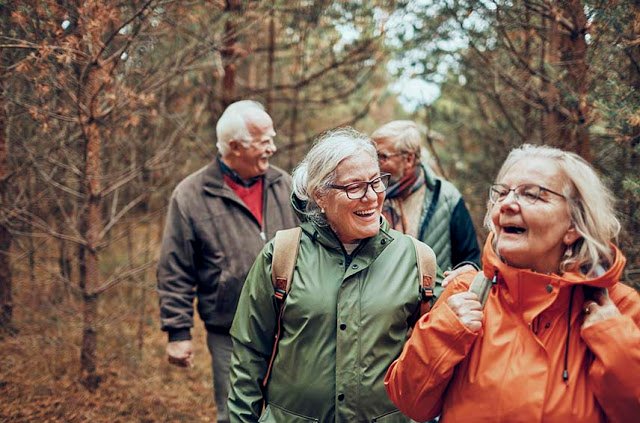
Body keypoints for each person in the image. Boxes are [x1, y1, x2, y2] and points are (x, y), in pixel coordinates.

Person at [384, 144, 640, 422]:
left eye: (532, 195)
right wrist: (444, 332)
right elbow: (410, 402)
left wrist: (614, 341)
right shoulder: (465, 294)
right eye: (502, 193)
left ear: (573, 225)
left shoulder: (619, 308)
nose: (506, 204)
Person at [228, 128, 433, 422]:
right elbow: (249, 356)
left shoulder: (417, 259)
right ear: (320, 195)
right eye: (354, 187)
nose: (372, 197)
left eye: (376, 182)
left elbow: (442, 353)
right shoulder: (283, 255)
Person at [157, 100, 298, 423]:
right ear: (235, 147)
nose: (273, 148)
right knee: (237, 414)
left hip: (292, 326)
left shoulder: (285, 185)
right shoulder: (191, 195)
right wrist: (178, 332)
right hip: (229, 330)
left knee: (292, 412)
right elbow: (175, 268)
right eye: (265, 142)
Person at [372, 120, 480, 271]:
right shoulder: (370, 194)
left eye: (382, 157)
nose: (374, 163)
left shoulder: (447, 197)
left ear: (408, 159)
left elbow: (470, 261)